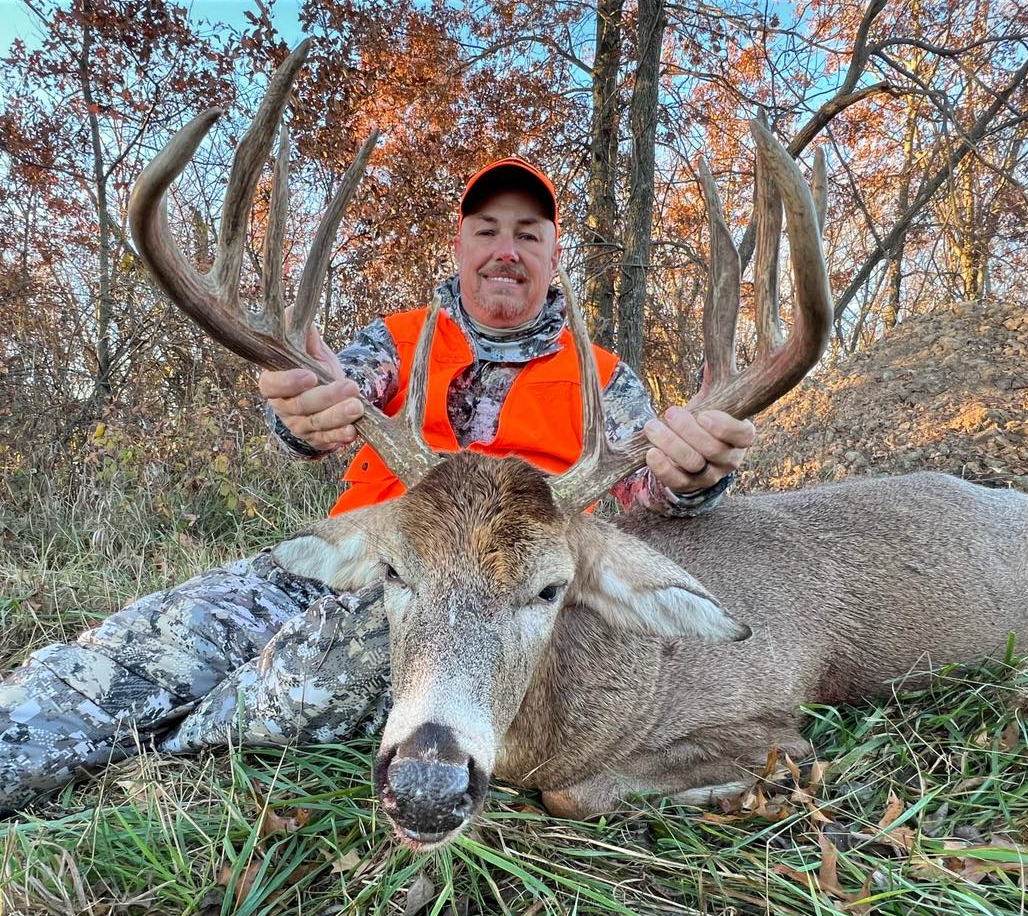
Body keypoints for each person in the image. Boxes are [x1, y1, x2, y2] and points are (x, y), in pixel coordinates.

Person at [0, 157, 756, 815]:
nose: (506, 248)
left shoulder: (604, 378)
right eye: (487, 228)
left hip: (492, 603)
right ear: (460, 244)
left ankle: (160, 753)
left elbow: (642, 499)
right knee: (146, 646)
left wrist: (689, 476)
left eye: (528, 232)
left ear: (553, 252)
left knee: (257, 702)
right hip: (361, 554)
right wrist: (306, 414)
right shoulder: (397, 339)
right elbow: (325, 402)